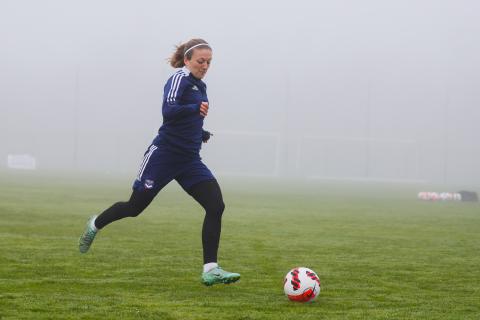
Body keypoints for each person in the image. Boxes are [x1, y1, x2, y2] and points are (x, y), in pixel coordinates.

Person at [78, 38, 240, 286]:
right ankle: (95, 223)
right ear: (187, 60)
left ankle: (211, 269)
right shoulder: (179, 79)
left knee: (216, 206)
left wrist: (201, 133)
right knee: (134, 208)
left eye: (209, 62)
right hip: (163, 156)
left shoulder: (201, 86)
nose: (205, 65)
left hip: (189, 161)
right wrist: (195, 109)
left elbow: (189, 117)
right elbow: (169, 110)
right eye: (200, 61)